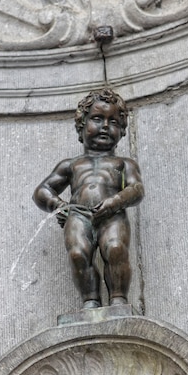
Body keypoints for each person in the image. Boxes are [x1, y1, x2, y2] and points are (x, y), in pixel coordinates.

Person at [33, 88, 144, 309]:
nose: (105, 126)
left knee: (115, 249)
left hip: (112, 213)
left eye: (113, 122)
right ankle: (90, 300)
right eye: (97, 118)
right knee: (77, 253)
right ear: (82, 125)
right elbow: (42, 190)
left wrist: (116, 201)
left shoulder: (124, 164)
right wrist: (58, 205)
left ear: (122, 131)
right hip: (78, 215)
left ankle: (119, 300)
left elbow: (137, 189)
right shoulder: (72, 165)